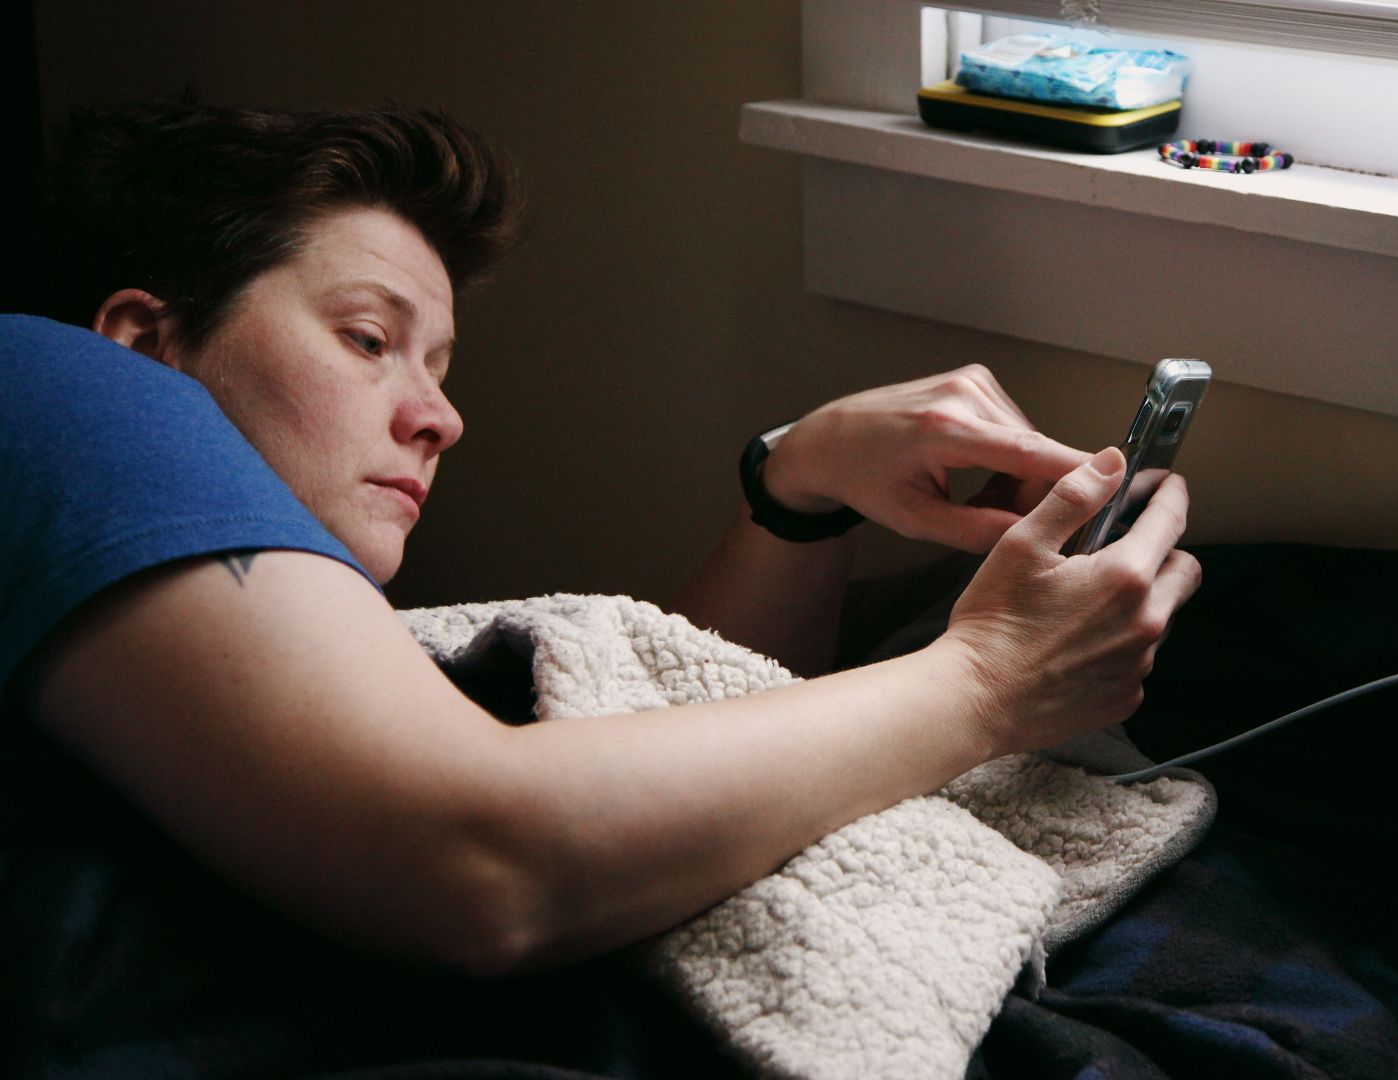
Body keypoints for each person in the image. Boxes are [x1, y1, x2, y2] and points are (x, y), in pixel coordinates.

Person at [2, 97, 1196, 1039]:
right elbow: (482, 859)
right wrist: (985, 684)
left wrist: (797, 493)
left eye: (443, 365)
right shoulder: (57, 379)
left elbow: (638, 749)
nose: (442, 418)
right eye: (368, 339)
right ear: (144, 341)